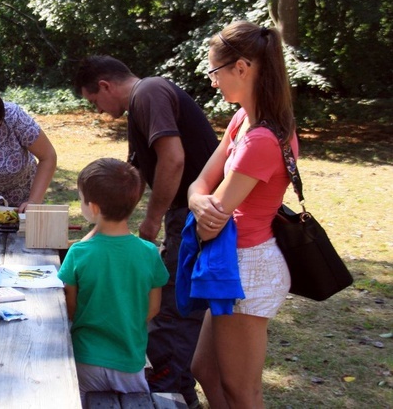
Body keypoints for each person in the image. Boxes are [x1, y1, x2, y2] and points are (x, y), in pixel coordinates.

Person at [75, 55, 218, 407]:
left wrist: (152, 219)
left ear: (106, 86)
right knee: (180, 310)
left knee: (173, 311)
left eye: (94, 100)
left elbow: (173, 159)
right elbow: (132, 174)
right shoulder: (142, 103)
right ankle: (181, 392)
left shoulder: (148, 92)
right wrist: (104, 224)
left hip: (193, 216)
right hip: (187, 216)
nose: (98, 109)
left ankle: (167, 394)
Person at [186, 21, 296, 408]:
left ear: (242, 68)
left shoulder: (262, 139)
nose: (213, 82)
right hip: (231, 262)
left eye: (215, 72)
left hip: (249, 268)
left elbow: (216, 210)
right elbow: (200, 187)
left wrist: (200, 201)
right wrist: (198, 199)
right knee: (205, 370)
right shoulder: (241, 120)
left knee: (241, 391)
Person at [58, 158, 169, 408]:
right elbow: (153, 309)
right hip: (130, 360)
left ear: (94, 208)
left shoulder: (79, 253)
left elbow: (70, 306)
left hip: (85, 359)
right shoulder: (149, 252)